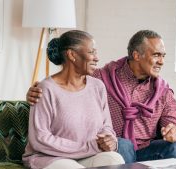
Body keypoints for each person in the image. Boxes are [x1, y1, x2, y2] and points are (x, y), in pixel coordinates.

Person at [26, 30, 176, 163]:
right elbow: (70, 82)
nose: (161, 61)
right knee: (123, 145)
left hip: (146, 150)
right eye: (156, 55)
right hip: (115, 147)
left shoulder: (163, 91)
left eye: (163, 56)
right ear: (137, 55)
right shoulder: (102, 78)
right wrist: (34, 92)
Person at [22, 30, 124, 169]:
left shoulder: (98, 86)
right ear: (72, 54)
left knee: (114, 159)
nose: (97, 58)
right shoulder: (45, 89)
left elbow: (106, 126)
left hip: (87, 155)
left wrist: (109, 139)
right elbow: (40, 139)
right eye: (91, 52)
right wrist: (88, 146)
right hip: (50, 157)